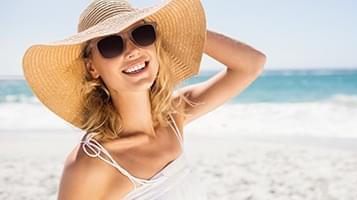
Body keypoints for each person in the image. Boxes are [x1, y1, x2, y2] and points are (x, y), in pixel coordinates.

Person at [22, 0, 266, 199]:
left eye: (142, 34)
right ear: (92, 67)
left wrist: (182, 29)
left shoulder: (174, 117)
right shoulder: (90, 163)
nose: (132, 50)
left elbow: (251, 64)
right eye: (110, 45)